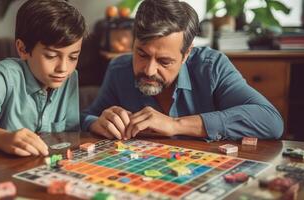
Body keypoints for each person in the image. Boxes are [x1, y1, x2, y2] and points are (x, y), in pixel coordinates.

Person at [81, 0, 283, 141]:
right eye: (141, 54)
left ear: (186, 55)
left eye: (164, 61)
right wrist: (95, 123)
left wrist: (176, 125)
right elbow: (86, 117)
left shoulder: (212, 67)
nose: (149, 70)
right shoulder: (118, 68)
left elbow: (271, 121)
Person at [0, 0, 86, 156]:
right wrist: (3, 138)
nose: (63, 68)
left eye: (73, 57)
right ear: (23, 49)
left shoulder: (69, 78)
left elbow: (71, 133)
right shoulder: (4, 75)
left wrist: (92, 122)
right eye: (51, 56)